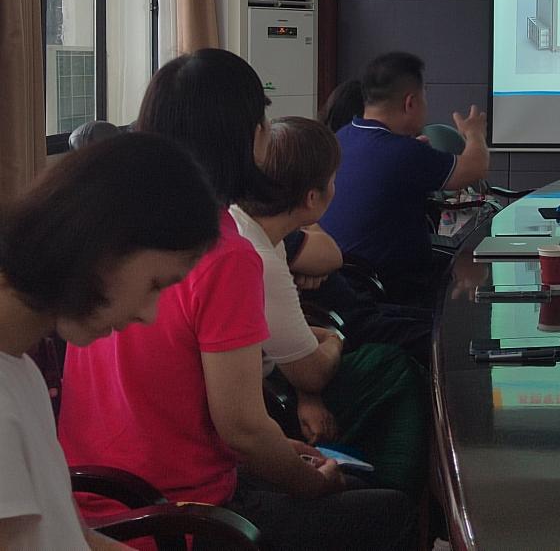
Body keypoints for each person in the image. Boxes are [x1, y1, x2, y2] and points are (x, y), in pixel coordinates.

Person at [57, 49, 416, 551]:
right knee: (390, 511)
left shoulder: (112, 224)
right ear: (246, 137)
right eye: (263, 121)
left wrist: (281, 450)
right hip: (181, 519)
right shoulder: (224, 251)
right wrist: (311, 483)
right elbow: (242, 429)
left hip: (95, 504)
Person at [0, 133, 219, 550]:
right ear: (101, 244)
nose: (149, 315)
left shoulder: (22, 367)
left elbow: (75, 537)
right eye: (155, 284)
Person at [232, 116, 427, 496]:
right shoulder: (258, 257)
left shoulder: (255, 230)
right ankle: (394, 497)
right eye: (334, 180)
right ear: (311, 198)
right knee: (399, 370)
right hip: (268, 401)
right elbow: (312, 373)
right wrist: (333, 339)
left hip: (277, 381)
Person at [319, 51, 489, 292]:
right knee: (476, 267)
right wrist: (475, 133)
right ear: (411, 103)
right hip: (392, 289)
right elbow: (475, 168)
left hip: (342, 283)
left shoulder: (339, 138)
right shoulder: (403, 152)